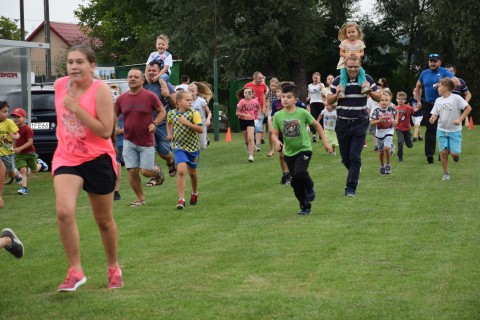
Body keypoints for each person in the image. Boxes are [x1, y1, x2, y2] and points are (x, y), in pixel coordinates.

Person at [53, 45, 122, 291]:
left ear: (92, 65)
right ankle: (75, 271)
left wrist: (76, 108)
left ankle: (113, 267)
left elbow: (105, 131)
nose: (73, 66)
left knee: (103, 220)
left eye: (79, 62)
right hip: (67, 158)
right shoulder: (60, 85)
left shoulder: (101, 91)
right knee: (64, 211)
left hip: (97, 159)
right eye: (70, 62)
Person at [271, 84, 332, 215]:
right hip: (289, 152)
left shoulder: (302, 112)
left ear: (296, 99)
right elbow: (274, 134)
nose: (285, 99)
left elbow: (317, 125)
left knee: (299, 174)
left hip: (304, 149)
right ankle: (305, 206)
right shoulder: (277, 116)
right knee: (295, 182)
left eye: (288, 97)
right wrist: (276, 142)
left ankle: (309, 185)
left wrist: (325, 142)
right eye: (283, 97)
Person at [328, 55, 381, 197]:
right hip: (342, 123)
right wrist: (337, 93)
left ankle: (350, 188)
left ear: (360, 66)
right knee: (346, 159)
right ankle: (355, 172)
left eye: (355, 67)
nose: (353, 69)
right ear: (345, 66)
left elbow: (379, 97)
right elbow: (329, 100)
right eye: (350, 67)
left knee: (354, 157)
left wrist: (369, 90)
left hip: (359, 122)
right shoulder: (339, 80)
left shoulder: (366, 79)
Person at [116, 68, 166, 206]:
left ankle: (157, 171)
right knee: (132, 171)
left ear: (142, 80)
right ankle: (140, 198)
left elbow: (162, 111)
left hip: (146, 141)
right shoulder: (121, 99)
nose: (132, 79)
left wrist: (155, 123)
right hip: (128, 140)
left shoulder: (150, 96)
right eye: (130, 77)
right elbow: (113, 116)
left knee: (146, 172)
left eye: (136, 77)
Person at [414, 53, 458, 164]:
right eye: (431, 61)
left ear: (439, 62)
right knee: (430, 129)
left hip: (443, 104)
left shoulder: (444, 72)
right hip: (428, 104)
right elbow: (418, 87)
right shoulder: (424, 73)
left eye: (435, 61)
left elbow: (456, 82)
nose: (432, 63)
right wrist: (418, 101)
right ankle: (429, 155)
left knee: (444, 129)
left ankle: (443, 153)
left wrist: (444, 84)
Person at [166, 90, 204, 209]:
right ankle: (181, 199)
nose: (190, 102)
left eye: (191, 100)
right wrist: (169, 133)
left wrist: (187, 123)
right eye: (187, 100)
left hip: (193, 148)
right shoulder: (172, 113)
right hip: (179, 147)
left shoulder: (194, 114)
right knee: (181, 171)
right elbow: (168, 122)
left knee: (192, 173)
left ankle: (194, 192)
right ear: (179, 102)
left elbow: (200, 130)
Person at [429, 78, 471, 181]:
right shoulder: (438, 100)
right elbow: (435, 113)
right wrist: (432, 118)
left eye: (440, 86)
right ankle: (446, 173)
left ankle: (456, 156)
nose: (438, 87)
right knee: (443, 152)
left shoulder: (456, 98)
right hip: (441, 130)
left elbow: (468, 108)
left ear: (446, 88)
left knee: (454, 153)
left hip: (455, 130)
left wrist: (460, 119)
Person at [144, 61, 176, 178]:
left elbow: (176, 105)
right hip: (147, 125)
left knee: (163, 153)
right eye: (149, 70)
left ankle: (170, 161)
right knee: (149, 149)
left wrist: (167, 96)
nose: (151, 72)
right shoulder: (142, 84)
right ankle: (156, 174)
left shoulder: (165, 84)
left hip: (162, 124)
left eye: (154, 71)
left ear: (159, 72)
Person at [11, 108, 49, 195]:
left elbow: (30, 142)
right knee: (23, 170)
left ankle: (40, 163)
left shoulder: (27, 129)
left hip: (30, 153)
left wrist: (20, 148)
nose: (16, 119)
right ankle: (24, 188)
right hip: (20, 155)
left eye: (18, 117)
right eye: (14, 117)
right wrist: (13, 148)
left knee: (34, 170)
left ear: (24, 117)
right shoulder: (14, 129)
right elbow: (14, 140)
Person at [336, 22, 371, 96]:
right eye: (349, 32)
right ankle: (341, 91)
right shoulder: (344, 42)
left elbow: (362, 53)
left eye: (353, 32)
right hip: (345, 63)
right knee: (343, 75)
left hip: (355, 63)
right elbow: (341, 53)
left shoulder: (360, 42)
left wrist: (359, 54)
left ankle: (363, 86)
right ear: (346, 34)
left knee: (362, 72)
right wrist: (346, 55)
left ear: (357, 32)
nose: (351, 34)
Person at [370, 91, 398, 174]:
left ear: (389, 101)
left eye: (386, 100)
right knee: (381, 152)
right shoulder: (376, 111)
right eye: (382, 100)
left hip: (389, 130)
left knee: (386, 148)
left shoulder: (391, 109)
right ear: (379, 101)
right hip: (379, 133)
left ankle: (388, 164)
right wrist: (379, 120)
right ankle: (382, 165)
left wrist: (396, 120)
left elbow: (396, 114)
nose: (384, 102)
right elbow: (372, 122)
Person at [0, 101, 23, 186]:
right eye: (4, 111)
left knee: (11, 173)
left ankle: (16, 174)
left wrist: (14, 137)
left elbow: (18, 135)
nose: (7, 114)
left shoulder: (9, 122)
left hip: (8, 154)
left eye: (7, 111)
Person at [244, 71, 268, 150]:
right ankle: (249, 143)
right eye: (259, 78)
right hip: (250, 111)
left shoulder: (263, 85)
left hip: (259, 110)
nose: (261, 80)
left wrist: (264, 107)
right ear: (254, 78)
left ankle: (257, 145)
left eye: (262, 78)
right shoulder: (248, 85)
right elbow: (243, 97)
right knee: (250, 128)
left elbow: (264, 97)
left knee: (258, 127)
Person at [236, 86, 260, 162]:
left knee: (250, 138)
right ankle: (250, 145)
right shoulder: (241, 102)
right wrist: (246, 115)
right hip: (242, 121)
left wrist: (258, 115)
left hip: (251, 120)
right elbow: (237, 113)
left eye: (249, 92)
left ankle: (251, 156)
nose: (247, 94)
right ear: (243, 94)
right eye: (245, 93)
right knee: (246, 140)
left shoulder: (255, 101)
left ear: (252, 94)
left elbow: (259, 108)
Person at [394, 91, 419, 162]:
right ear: (396, 99)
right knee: (400, 141)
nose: (400, 100)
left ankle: (408, 139)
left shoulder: (408, 107)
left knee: (410, 145)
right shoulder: (394, 108)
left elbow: (414, 111)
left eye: (402, 99)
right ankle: (400, 156)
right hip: (398, 128)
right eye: (398, 99)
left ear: (405, 100)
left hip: (407, 129)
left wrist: (418, 108)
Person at [189, 82, 212, 150]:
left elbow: (209, 112)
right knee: (192, 145)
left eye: (192, 91)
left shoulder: (201, 101)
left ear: (197, 92)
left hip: (201, 123)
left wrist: (208, 119)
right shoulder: (187, 101)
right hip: (191, 124)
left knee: (202, 146)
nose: (191, 93)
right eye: (189, 91)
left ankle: (206, 139)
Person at [307, 72, 326, 142]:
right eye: (314, 78)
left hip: (320, 102)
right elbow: (309, 92)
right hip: (313, 103)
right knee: (313, 119)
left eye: (317, 78)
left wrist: (319, 82)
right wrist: (308, 97)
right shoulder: (309, 85)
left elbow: (323, 91)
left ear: (319, 78)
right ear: (312, 78)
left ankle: (321, 134)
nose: (315, 79)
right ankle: (314, 135)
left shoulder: (321, 84)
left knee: (320, 119)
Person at [266, 78, 279, 157]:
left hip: (279, 112)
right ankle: (271, 150)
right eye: (272, 86)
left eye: (275, 86)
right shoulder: (268, 92)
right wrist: (265, 109)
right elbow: (265, 100)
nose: (273, 87)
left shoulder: (280, 92)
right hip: (271, 113)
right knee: (270, 131)